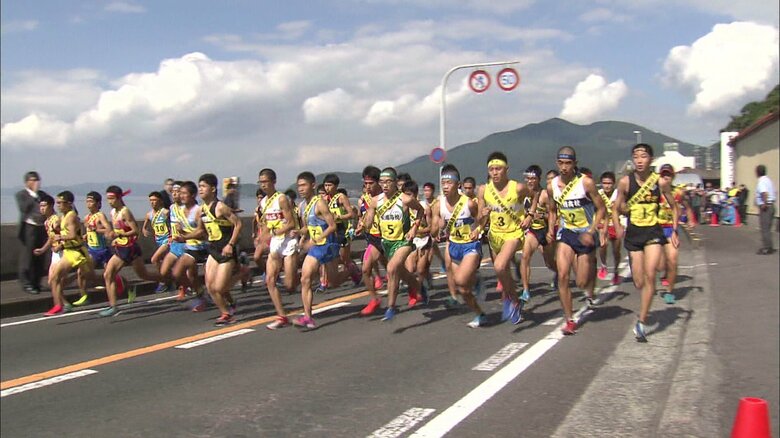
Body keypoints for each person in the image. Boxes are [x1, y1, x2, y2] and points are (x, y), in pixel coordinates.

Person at [613, 144, 678, 342]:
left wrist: (674, 231)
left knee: (651, 276)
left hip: (653, 233)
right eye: (636, 156)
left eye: (643, 156)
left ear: (651, 159)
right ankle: (645, 302)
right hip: (634, 235)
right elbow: (616, 208)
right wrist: (617, 226)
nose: (639, 160)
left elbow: (674, 207)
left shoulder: (659, 182)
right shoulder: (625, 182)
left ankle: (641, 322)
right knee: (639, 281)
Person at [546, 146, 607, 336]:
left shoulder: (586, 183)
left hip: (585, 234)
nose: (564, 167)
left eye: (568, 163)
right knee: (563, 276)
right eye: (561, 163)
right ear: (557, 163)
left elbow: (601, 208)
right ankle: (569, 320)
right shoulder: (552, 186)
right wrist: (551, 228)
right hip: (566, 233)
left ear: (575, 164)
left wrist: (591, 231)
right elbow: (553, 210)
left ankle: (590, 280)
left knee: (580, 282)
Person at [362, 167, 427, 321]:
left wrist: (414, 227)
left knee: (391, 269)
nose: (385, 185)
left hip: (403, 241)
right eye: (382, 182)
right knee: (402, 273)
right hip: (386, 242)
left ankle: (391, 307)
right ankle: (418, 287)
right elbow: (369, 219)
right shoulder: (376, 201)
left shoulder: (405, 199)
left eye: (388, 182)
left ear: (395, 183)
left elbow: (420, 210)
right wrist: (366, 222)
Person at [476, 152, 534, 324]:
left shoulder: (518, 188)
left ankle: (512, 299)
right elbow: (479, 218)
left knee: (500, 266)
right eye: (492, 169)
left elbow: (535, 195)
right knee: (503, 272)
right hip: (495, 235)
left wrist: (530, 215)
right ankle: (515, 300)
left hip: (514, 233)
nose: (495, 172)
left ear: (506, 169)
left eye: (498, 169)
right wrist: (483, 215)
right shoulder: (484, 190)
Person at [294, 171, 353, 329]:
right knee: (305, 278)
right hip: (317, 247)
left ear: (312, 185)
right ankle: (308, 317)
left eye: (304, 185)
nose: (300, 189)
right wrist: (300, 234)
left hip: (328, 245)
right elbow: (308, 227)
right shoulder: (302, 206)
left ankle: (351, 270)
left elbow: (332, 226)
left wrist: (315, 240)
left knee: (334, 282)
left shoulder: (319, 203)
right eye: (298, 185)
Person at [431, 164, 486, 328]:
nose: (445, 186)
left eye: (449, 183)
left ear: (458, 185)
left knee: (461, 281)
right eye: (443, 183)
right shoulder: (438, 205)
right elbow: (434, 231)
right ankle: (480, 313)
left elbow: (481, 220)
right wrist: (438, 226)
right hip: (454, 245)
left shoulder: (468, 204)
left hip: (470, 246)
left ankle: (475, 280)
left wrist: (478, 229)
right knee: (463, 289)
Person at [100, 186, 161, 317]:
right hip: (122, 247)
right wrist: (114, 237)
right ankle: (169, 279)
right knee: (144, 275)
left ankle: (113, 306)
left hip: (128, 248)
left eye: (112, 198)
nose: (109, 202)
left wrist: (119, 235)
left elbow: (135, 231)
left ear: (119, 198)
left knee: (108, 274)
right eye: (108, 199)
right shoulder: (113, 212)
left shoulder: (125, 212)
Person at [257, 168, 302, 330]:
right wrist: (262, 237)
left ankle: (307, 276)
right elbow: (265, 223)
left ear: (273, 182)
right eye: (260, 182)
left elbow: (290, 223)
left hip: (288, 242)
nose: (263, 185)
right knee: (270, 280)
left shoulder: (281, 199)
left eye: (265, 182)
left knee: (290, 285)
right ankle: (281, 315)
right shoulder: (263, 202)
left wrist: (276, 232)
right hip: (276, 243)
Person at [43, 191, 93, 316]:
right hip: (69, 251)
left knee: (92, 278)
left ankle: (118, 281)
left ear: (69, 203)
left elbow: (71, 235)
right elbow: (58, 232)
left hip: (77, 252)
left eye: (61, 203)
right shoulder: (63, 216)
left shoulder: (71, 216)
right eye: (57, 203)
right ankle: (59, 305)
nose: (58, 205)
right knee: (55, 278)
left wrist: (60, 237)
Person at [520, 167, 558, 302]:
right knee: (525, 256)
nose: (530, 181)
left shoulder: (544, 194)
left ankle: (558, 274)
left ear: (538, 179)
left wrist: (550, 231)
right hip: (532, 231)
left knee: (549, 263)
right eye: (528, 178)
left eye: (533, 179)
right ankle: (525, 290)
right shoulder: (523, 193)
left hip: (544, 230)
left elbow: (552, 213)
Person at [171, 181, 210, 308]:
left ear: (193, 195)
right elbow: (184, 229)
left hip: (202, 247)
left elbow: (201, 232)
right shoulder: (181, 210)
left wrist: (184, 237)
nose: (181, 196)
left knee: (209, 279)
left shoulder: (199, 210)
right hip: (190, 247)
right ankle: (201, 295)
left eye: (184, 193)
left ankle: (205, 296)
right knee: (187, 275)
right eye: (180, 193)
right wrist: (179, 233)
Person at [355, 165, 388, 316]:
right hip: (374, 238)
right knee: (365, 269)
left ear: (378, 183)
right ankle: (375, 299)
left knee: (396, 270)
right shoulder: (363, 199)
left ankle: (415, 289)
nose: (367, 186)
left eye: (371, 183)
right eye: (365, 183)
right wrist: (360, 226)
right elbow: (362, 218)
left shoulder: (387, 197)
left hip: (390, 238)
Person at [16, 171, 47, 294]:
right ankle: (26, 283)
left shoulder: (42, 195)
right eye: (32, 180)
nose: (35, 182)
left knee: (40, 256)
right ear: (27, 182)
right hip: (29, 228)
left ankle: (36, 282)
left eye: (37, 180)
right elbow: (24, 208)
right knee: (28, 257)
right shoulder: (21, 194)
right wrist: (33, 194)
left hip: (41, 227)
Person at [657, 164, 683, 304]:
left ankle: (670, 292)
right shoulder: (653, 193)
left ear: (673, 177)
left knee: (672, 260)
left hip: (670, 229)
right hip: (656, 229)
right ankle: (664, 273)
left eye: (668, 175)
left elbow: (683, 208)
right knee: (660, 265)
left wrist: (688, 219)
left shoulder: (678, 193)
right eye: (663, 175)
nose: (666, 178)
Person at [404, 181, 434, 299]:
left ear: (416, 194)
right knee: (410, 269)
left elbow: (430, 228)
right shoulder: (403, 208)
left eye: (409, 194)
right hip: (411, 242)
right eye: (405, 194)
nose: (407, 197)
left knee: (421, 270)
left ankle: (420, 288)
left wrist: (416, 231)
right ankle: (414, 291)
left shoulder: (425, 207)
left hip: (424, 241)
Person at [596, 171, 623, 285]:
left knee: (616, 251)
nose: (607, 185)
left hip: (616, 224)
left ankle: (616, 271)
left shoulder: (618, 194)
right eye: (604, 183)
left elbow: (624, 209)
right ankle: (603, 265)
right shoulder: (598, 194)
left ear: (613, 184)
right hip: (603, 225)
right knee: (603, 245)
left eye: (609, 183)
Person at [142, 191, 172, 293]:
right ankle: (171, 280)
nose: (152, 202)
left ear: (160, 201)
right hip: (158, 240)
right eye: (150, 200)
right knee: (167, 262)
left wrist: (172, 236)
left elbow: (173, 224)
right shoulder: (149, 214)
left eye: (154, 200)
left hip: (166, 240)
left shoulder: (165, 212)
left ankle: (162, 281)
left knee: (154, 259)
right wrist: (145, 230)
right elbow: (144, 226)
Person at [755, 165, 776, 255]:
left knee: (765, 228)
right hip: (772, 206)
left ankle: (766, 248)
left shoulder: (761, 181)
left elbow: (764, 193)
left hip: (766, 207)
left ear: (758, 172)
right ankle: (769, 246)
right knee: (768, 228)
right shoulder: (768, 180)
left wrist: (764, 203)